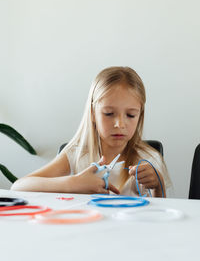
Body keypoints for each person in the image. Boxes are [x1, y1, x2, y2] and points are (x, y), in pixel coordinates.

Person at [11, 66, 171, 197]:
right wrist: (72, 183)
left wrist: (158, 184)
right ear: (93, 113)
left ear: (140, 116)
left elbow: (163, 214)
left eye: (130, 115)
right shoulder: (77, 155)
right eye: (109, 113)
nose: (120, 124)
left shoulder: (149, 158)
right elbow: (18, 187)